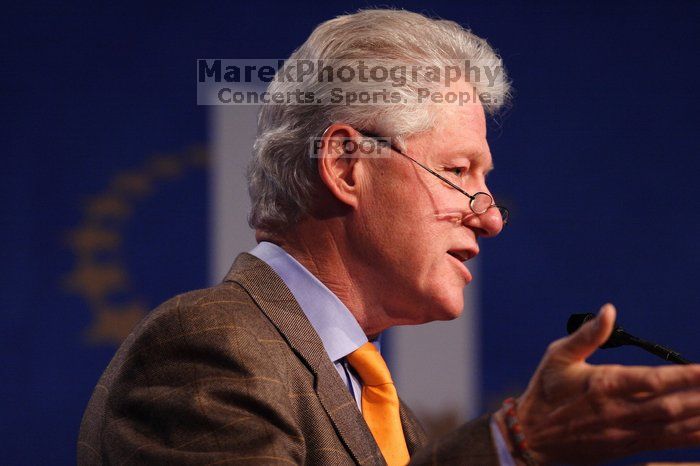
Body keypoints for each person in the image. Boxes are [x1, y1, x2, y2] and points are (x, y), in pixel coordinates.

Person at [78, 9, 700, 465]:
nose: (490, 217)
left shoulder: (380, 407)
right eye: (458, 172)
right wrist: (511, 445)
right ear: (349, 166)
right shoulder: (210, 350)